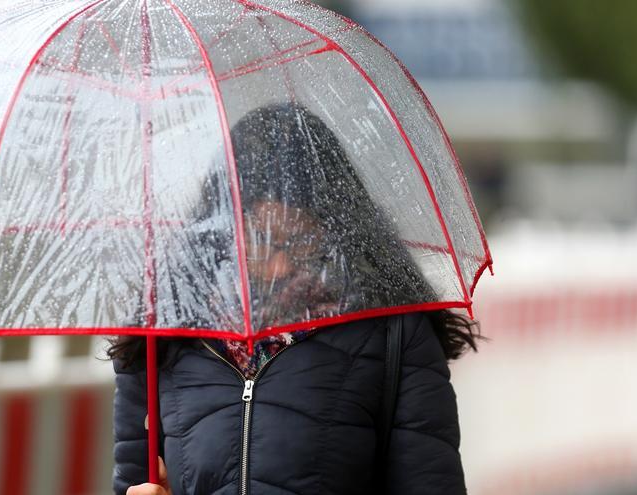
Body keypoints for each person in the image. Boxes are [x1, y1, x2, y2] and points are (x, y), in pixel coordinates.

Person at [108, 102, 481, 495]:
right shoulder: (162, 335)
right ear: (222, 229)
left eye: (300, 242)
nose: (280, 267)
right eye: (261, 241)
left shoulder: (393, 334)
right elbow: (133, 478)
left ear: (338, 230)